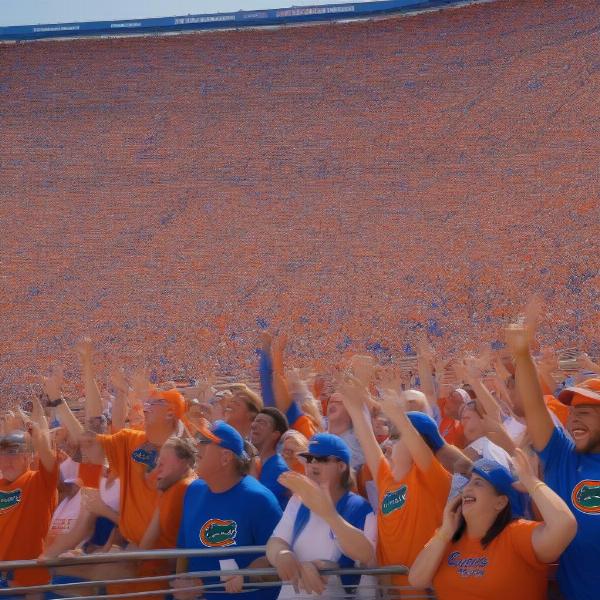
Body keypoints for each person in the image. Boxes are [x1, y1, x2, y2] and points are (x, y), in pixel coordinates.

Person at [506, 320, 600, 600]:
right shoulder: (563, 456)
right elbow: (535, 406)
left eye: (586, 411)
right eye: (572, 411)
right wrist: (522, 356)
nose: (573, 417)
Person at [409, 451, 577, 599]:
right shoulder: (447, 536)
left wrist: (532, 483)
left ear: (500, 502)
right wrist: (444, 533)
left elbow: (564, 525)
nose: (467, 488)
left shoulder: (516, 534)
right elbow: (416, 580)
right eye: (469, 482)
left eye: (478, 483)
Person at [339, 378, 451, 593]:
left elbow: (422, 453)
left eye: (397, 436)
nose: (388, 443)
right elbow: (367, 438)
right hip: (390, 589)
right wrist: (354, 406)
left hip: (423, 591)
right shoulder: (386, 478)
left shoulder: (433, 478)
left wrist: (399, 415)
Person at [174, 420, 282, 600]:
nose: (197, 445)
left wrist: (212, 584)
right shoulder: (193, 491)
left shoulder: (259, 500)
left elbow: (277, 562)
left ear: (225, 458)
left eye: (205, 440)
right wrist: (180, 584)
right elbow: (184, 552)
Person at [266, 433, 376, 599]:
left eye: (322, 458)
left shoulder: (360, 508)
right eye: (309, 458)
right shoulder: (297, 501)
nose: (313, 464)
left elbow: (367, 556)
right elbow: (276, 541)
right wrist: (281, 554)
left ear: (341, 466)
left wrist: (328, 514)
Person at [0, 400, 58, 593]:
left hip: (29, 582)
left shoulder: (38, 482)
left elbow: (49, 462)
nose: (6, 461)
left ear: (27, 457)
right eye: (2, 455)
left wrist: (39, 441)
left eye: (13, 453)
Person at [249, 407, 290, 509]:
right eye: (255, 421)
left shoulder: (279, 470)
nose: (253, 425)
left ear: (275, 434)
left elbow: (259, 505)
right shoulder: (256, 462)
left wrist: (252, 476)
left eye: (261, 423)